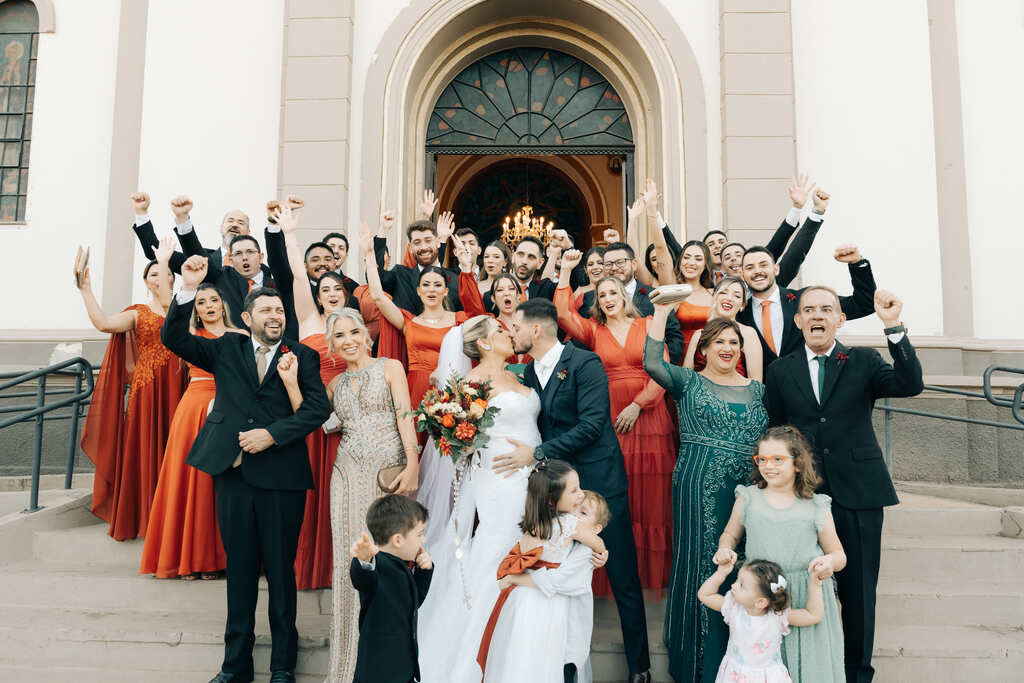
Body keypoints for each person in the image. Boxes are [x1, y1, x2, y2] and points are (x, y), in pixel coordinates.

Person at [161, 258, 331, 683]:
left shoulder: (303, 356)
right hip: (233, 475)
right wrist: (188, 288)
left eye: (279, 311)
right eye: (267, 311)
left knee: (279, 571)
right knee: (238, 571)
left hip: (282, 479)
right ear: (247, 317)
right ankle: (234, 666)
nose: (275, 316)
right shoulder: (226, 348)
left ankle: (282, 666)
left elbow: (316, 409)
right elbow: (174, 337)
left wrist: (272, 435)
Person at [763, 288, 923, 683]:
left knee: (858, 592)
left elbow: (910, 383)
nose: (817, 316)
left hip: (859, 491)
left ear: (840, 319)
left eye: (826, 309)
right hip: (801, 495)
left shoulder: (864, 360)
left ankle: (857, 675)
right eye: (809, 310)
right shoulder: (781, 370)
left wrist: (894, 328)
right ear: (797, 321)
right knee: (796, 584)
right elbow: (777, 429)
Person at [500, 298, 651, 683]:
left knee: (621, 574)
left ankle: (640, 668)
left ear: (535, 329)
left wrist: (537, 454)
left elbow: (593, 424)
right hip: (556, 491)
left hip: (599, 484)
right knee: (559, 571)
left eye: (514, 326)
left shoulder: (585, 363)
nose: (510, 332)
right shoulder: (529, 371)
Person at [643, 308, 768, 683]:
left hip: (749, 488)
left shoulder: (757, 388)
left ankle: (748, 659)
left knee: (748, 565)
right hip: (700, 486)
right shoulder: (686, 381)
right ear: (705, 349)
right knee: (706, 563)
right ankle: (701, 664)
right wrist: (663, 310)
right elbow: (651, 361)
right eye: (720, 342)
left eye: (735, 343)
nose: (728, 348)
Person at [417, 315, 544, 683]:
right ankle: (477, 657)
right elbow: (457, 439)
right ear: (485, 343)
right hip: (499, 478)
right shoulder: (470, 384)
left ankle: (520, 646)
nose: (509, 333)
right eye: (502, 331)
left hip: (533, 478)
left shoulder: (519, 374)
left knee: (529, 550)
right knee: (500, 550)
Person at [554, 254, 675, 594]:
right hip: (609, 417)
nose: (607, 299)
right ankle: (610, 571)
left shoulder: (647, 325)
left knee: (650, 496)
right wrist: (565, 270)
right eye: (602, 295)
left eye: (613, 293)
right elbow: (563, 313)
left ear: (626, 297)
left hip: (648, 415)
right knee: (617, 490)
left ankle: (650, 576)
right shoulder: (593, 331)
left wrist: (639, 404)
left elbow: (662, 369)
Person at [325, 308, 420, 682]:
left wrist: (412, 463)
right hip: (346, 477)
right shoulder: (333, 386)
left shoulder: (390, 367)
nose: (347, 341)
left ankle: (387, 666)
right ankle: (346, 667)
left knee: (389, 561)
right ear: (332, 345)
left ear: (366, 335)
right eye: (339, 337)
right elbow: (322, 423)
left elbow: (405, 416)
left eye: (353, 333)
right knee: (350, 562)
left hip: (389, 475)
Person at [141, 240, 244, 579]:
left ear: (224, 304)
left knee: (226, 486)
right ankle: (188, 558)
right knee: (193, 483)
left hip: (230, 408)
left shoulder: (241, 335)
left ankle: (221, 557)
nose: (210, 305)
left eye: (215, 300)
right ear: (195, 308)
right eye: (202, 302)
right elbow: (170, 320)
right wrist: (179, 278)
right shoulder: (189, 333)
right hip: (195, 409)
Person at [714, 426, 846, 682]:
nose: (768, 466)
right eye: (762, 459)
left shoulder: (816, 505)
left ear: (797, 463)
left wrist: (828, 563)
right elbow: (730, 535)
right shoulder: (749, 498)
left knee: (808, 667)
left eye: (777, 459)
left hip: (805, 595)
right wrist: (724, 549)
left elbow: (839, 554)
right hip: (760, 597)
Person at [77, 248, 184, 542]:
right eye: (153, 274)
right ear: (147, 281)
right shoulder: (138, 312)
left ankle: (177, 518)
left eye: (164, 273)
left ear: (173, 279)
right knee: (148, 448)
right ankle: (147, 518)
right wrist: (86, 290)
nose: (159, 278)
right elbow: (103, 324)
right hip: (148, 389)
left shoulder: (186, 308)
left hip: (182, 387)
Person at [274, 204, 354, 590]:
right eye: (325, 289)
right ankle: (307, 562)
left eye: (337, 289)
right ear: (318, 295)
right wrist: (290, 234)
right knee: (309, 489)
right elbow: (295, 276)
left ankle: (341, 563)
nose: (331, 294)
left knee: (342, 491)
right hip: (310, 413)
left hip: (349, 417)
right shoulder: (308, 319)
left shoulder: (353, 326)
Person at [472, 461, 606, 683]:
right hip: (548, 601)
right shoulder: (571, 524)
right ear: (553, 500)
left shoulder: (534, 524)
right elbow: (597, 542)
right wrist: (603, 552)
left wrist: (514, 578)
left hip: (522, 600)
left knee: (521, 657)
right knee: (546, 658)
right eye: (574, 491)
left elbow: (526, 557)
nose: (581, 495)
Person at [737, 243, 876, 378]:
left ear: (776, 269)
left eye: (763, 265)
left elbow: (864, 304)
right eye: (750, 267)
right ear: (742, 275)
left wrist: (857, 263)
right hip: (767, 396)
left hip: (810, 392)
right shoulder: (739, 314)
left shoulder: (806, 299)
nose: (757, 271)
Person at [349, 495, 433, 683]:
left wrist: (424, 571)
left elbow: (413, 602)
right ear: (397, 540)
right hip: (378, 672)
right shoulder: (378, 566)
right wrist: (362, 560)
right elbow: (362, 580)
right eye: (419, 534)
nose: (423, 539)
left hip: (402, 670)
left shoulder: (401, 566)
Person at [698, 558, 824, 683]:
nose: (733, 586)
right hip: (734, 676)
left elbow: (813, 615)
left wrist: (816, 584)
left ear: (760, 602)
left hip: (768, 678)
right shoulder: (734, 608)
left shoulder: (777, 616)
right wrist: (720, 574)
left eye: (741, 585)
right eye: (737, 580)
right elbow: (704, 595)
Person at [576, 240, 684, 364]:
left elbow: (673, 337)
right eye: (609, 264)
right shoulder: (590, 298)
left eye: (620, 262)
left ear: (634, 264)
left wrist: (662, 370)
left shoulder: (655, 296)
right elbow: (582, 342)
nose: (614, 268)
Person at [374, 211, 462, 313]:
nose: (423, 247)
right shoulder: (400, 276)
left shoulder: (456, 280)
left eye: (428, 240)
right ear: (410, 248)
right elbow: (376, 277)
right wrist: (383, 231)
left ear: (438, 242)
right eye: (417, 242)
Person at [684, 276, 763, 381]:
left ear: (742, 305)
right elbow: (684, 380)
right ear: (714, 296)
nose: (729, 298)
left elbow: (756, 382)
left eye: (737, 296)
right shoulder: (699, 335)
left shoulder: (748, 334)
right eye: (723, 292)